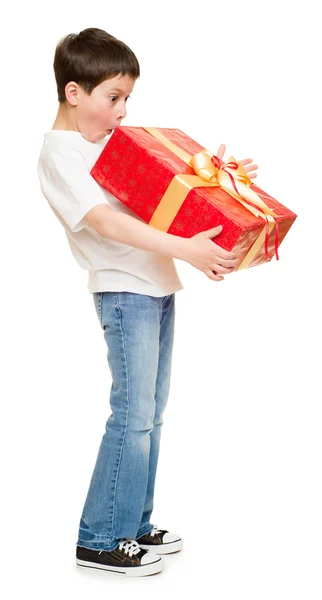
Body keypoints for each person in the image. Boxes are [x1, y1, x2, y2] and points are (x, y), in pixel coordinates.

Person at [37, 27, 258, 577]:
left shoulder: (109, 145)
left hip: (156, 286)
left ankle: (132, 524)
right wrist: (186, 248)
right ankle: (100, 536)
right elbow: (107, 221)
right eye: (113, 97)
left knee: (150, 417)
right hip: (123, 291)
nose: (122, 109)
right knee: (132, 416)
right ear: (74, 93)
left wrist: (221, 180)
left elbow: (171, 188)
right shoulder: (60, 152)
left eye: (127, 98)